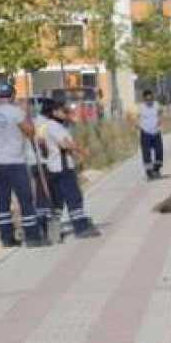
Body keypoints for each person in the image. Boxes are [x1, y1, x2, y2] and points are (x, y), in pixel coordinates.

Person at [0, 84, 48, 248]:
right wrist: (27, 116)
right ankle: (32, 237)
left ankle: (6, 238)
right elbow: (30, 132)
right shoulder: (16, 112)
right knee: (25, 198)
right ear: (12, 96)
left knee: (2, 200)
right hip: (14, 161)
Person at [42, 101, 102, 239]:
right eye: (63, 111)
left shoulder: (48, 126)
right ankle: (81, 228)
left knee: (57, 201)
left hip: (54, 167)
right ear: (54, 112)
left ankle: (53, 232)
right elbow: (65, 144)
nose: (66, 113)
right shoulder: (54, 126)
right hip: (62, 168)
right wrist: (82, 151)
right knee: (73, 198)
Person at [25, 97, 56, 239]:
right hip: (36, 162)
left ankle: (43, 223)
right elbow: (43, 143)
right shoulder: (38, 122)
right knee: (42, 193)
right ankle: (43, 224)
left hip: (37, 162)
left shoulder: (37, 122)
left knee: (40, 193)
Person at [138, 90, 163, 180]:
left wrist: (159, 120)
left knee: (159, 151)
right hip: (145, 132)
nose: (149, 101)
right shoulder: (141, 107)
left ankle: (156, 169)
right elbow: (132, 116)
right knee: (146, 152)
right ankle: (149, 172)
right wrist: (138, 125)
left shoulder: (156, 104)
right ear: (144, 99)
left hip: (156, 132)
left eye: (151, 99)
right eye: (147, 99)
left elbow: (160, 112)